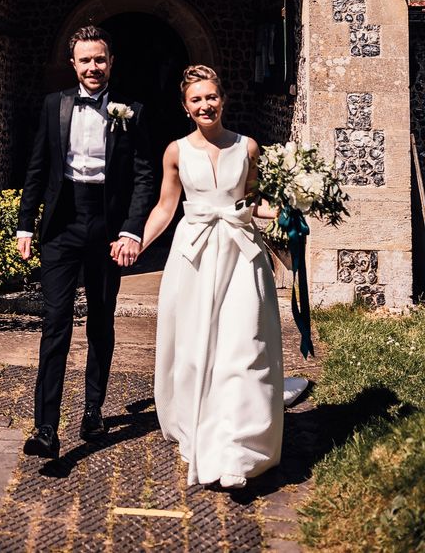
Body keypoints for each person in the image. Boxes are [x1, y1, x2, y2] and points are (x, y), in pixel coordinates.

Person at [133, 65, 283, 489]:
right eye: (196, 99)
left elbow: (255, 201)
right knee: (197, 346)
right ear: (185, 107)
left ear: (224, 99)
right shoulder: (176, 152)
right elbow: (166, 207)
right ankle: (198, 428)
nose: (205, 105)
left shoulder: (248, 146)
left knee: (245, 344)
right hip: (194, 256)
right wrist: (136, 243)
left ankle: (240, 449)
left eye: (211, 97)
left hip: (241, 254)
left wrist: (293, 209)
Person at [16, 25, 154, 459]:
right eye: (85, 60)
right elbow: (37, 167)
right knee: (54, 322)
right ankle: (45, 428)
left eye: (100, 60)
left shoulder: (132, 110)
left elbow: (145, 176)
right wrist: (25, 225)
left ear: (111, 63)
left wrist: (132, 230)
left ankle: (93, 410)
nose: (93, 67)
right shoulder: (53, 105)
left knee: (100, 320)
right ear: (72, 64)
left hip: (108, 228)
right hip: (61, 225)